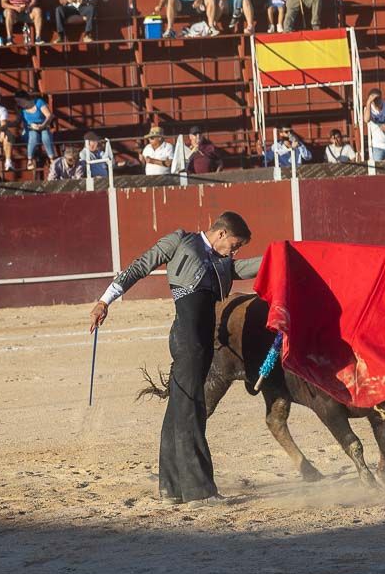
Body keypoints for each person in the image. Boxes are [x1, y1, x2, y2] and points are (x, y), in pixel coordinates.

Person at [88, 212, 261, 503]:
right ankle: (199, 490)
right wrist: (105, 301)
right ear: (220, 234)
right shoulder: (182, 240)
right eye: (235, 243)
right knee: (192, 408)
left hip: (202, 341)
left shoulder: (221, 263)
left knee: (179, 408)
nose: (236, 250)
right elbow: (140, 266)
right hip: (186, 338)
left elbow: (241, 268)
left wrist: (279, 258)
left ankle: (170, 487)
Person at [15, 90, 55, 170]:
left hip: (43, 126)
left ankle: (52, 158)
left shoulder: (38, 102)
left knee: (45, 135)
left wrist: (42, 125)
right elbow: (17, 121)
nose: (18, 103)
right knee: (33, 136)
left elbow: (49, 115)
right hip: (30, 129)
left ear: (24, 98)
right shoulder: (21, 109)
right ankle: (30, 159)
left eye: (19, 101)